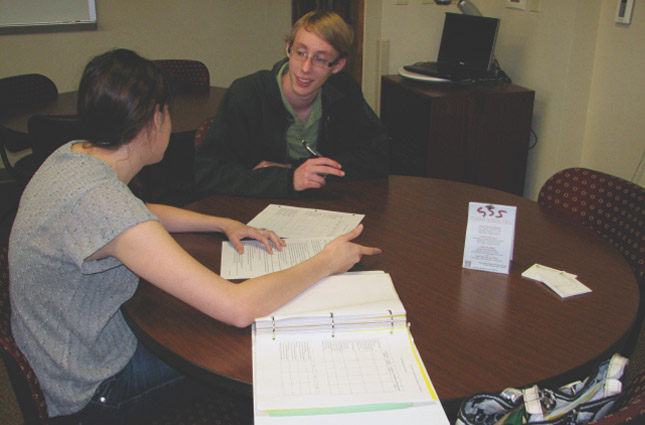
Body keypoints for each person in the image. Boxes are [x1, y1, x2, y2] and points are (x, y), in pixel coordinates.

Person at [9, 48, 381, 425]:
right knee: (250, 341)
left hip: (60, 352)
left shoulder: (73, 156)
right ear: (156, 117)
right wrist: (326, 262)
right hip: (92, 390)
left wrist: (219, 222)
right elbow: (236, 307)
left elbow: (137, 212)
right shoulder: (103, 206)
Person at [194, 10, 389, 199]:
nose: (306, 68)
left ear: (338, 65)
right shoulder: (247, 93)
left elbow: (378, 156)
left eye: (320, 59)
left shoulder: (344, 91)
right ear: (288, 48)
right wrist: (288, 179)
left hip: (324, 208)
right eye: (300, 53)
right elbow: (208, 173)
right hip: (253, 211)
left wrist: (300, 171)